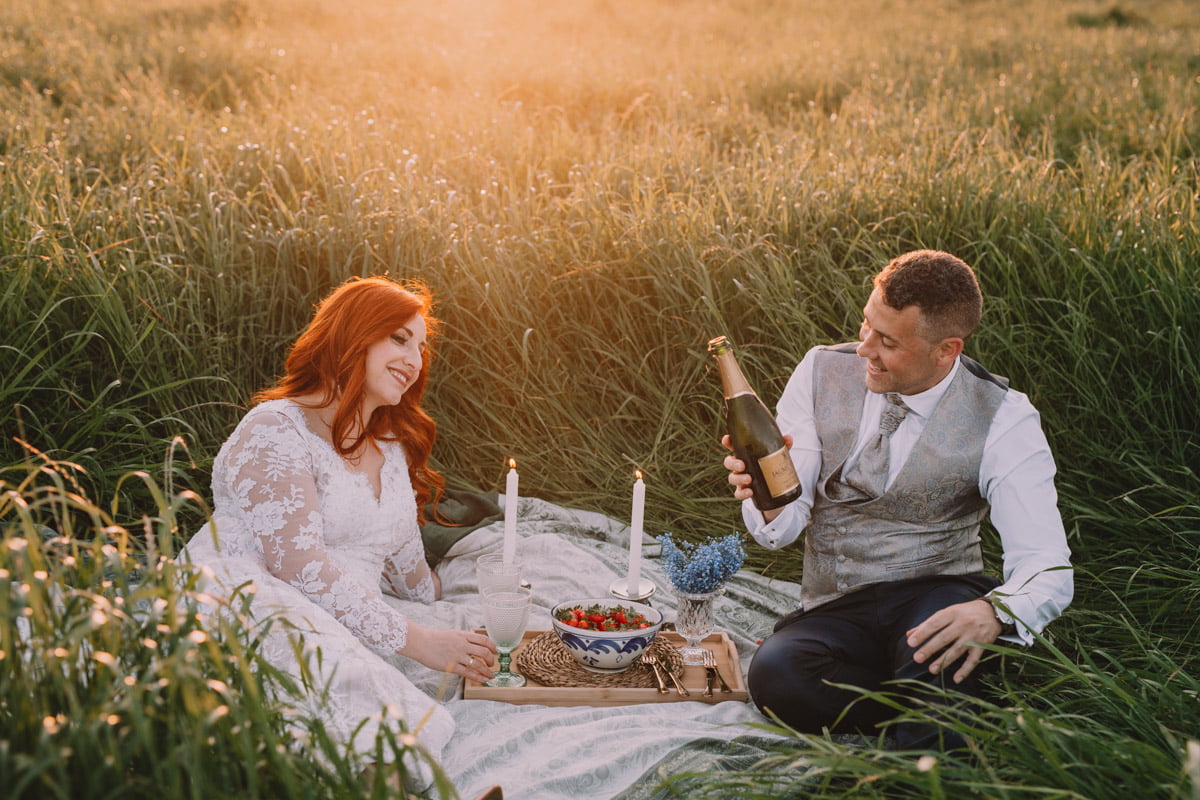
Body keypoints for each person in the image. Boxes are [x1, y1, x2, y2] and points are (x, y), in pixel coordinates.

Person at [722, 250, 1073, 750]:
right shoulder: (819, 371)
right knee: (777, 677)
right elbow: (784, 522)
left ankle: (925, 758)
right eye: (867, 325)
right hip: (839, 604)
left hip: (938, 593)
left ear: (946, 350)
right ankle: (946, 706)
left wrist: (995, 613)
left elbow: (1047, 563)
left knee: (938, 649)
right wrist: (767, 499)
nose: (865, 349)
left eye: (887, 342)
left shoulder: (1004, 417)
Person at [182, 276, 497, 789]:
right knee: (333, 676)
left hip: (348, 617)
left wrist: (466, 593)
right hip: (252, 592)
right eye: (399, 338)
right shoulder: (277, 428)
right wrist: (418, 640)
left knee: (366, 685)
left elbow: (409, 572)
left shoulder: (391, 449)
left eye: (421, 346)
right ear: (354, 334)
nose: (415, 358)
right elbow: (296, 565)